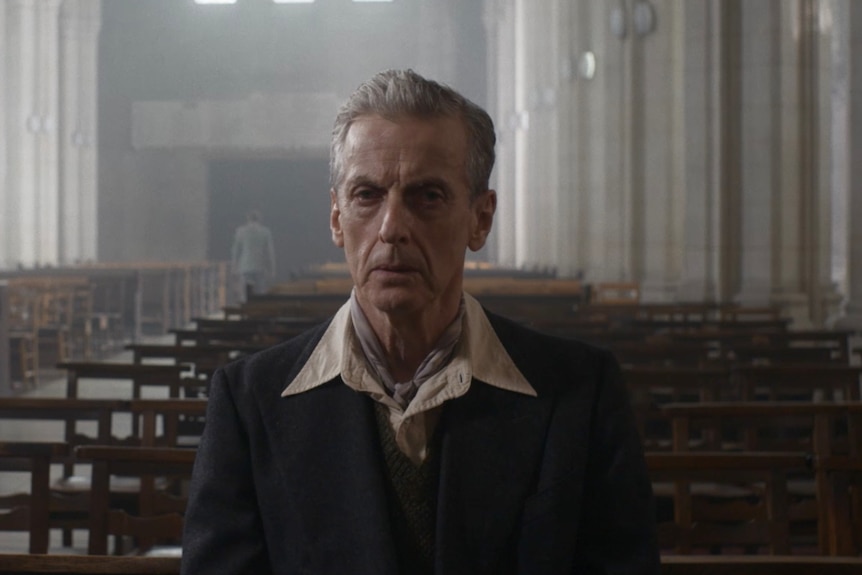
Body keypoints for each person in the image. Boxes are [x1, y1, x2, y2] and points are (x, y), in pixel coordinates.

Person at [183, 69, 659, 574]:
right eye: (367, 195)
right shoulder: (249, 401)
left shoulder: (580, 392)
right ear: (336, 218)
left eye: (426, 196)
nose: (392, 229)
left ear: (481, 217)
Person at [231, 210, 276, 301]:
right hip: (260, 266)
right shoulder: (265, 232)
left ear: (248, 218)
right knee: (260, 294)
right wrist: (272, 269)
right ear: (260, 219)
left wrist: (234, 267)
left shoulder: (240, 231)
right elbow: (270, 253)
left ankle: (245, 312)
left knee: (245, 294)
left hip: (245, 266)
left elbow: (235, 251)